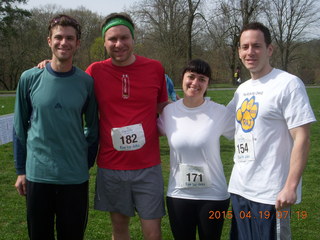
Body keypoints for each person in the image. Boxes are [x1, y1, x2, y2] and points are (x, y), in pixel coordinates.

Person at [227, 22, 316, 240]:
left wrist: (290, 187)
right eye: (244, 46)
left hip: (271, 195)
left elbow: (302, 138)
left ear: (269, 49)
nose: (250, 52)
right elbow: (221, 124)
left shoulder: (288, 84)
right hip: (240, 190)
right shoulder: (242, 90)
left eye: (256, 46)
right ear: (239, 52)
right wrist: (185, 107)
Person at [13, 14, 99, 240]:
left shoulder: (86, 82)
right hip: (38, 176)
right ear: (48, 41)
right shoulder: (29, 78)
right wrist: (21, 170)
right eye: (58, 37)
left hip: (74, 177)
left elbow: (93, 127)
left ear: (78, 43)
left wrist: (85, 161)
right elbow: (19, 128)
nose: (64, 42)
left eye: (70, 38)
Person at [85, 13, 168, 240]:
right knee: (119, 231)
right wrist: (45, 66)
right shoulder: (95, 71)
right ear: (104, 42)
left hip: (148, 166)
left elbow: (164, 107)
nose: (119, 44)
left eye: (124, 38)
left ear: (133, 39)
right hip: (112, 165)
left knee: (153, 234)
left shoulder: (154, 68)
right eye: (112, 39)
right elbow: (70, 86)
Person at [158, 59, 235, 240]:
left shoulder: (219, 112)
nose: (195, 83)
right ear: (182, 78)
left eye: (202, 79)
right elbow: (148, 129)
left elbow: (247, 132)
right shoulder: (169, 112)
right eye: (191, 77)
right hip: (178, 194)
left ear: (207, 84)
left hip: (213, 196)